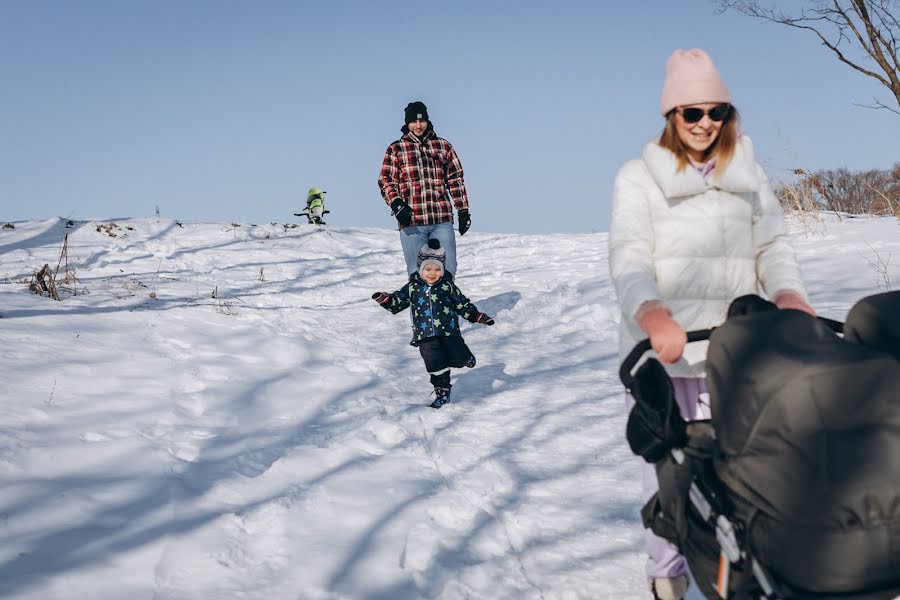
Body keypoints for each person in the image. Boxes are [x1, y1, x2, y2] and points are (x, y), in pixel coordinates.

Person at [608, 48, 814, 600]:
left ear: (729, 114)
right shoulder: (638, 177)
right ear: (671, 116)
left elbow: (772, 245)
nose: (704, 124)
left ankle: (744, 576)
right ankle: (668, 577)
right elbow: (629, 256)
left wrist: (789, 293)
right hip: (664, 354)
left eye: (715, 112)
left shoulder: (747, 173)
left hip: (738, 353)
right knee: (668, 478)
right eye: (691, 113)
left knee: (745, 474)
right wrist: (651, 312)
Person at [371, 239, 494, 408]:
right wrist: (385, 300)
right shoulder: (413, 287)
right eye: (428, 269)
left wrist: (477, 316)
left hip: (449, 332)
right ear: (420, 269)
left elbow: (462, 304)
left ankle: (466, 357)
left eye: (437, 269)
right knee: (434, 364)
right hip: (425, 336)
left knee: (457, 355)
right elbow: (397, 302)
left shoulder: (447, 286)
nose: (432, 273)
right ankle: (442, 392)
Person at [378, 101, 471, 280]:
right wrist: (396, 204)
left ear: (427, 121)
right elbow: (386, 179)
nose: (418, 125)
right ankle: (421, 308)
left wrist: (463, 210)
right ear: (407, 124)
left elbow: (455, 178)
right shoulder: (396, 148)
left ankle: (446, 308)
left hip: (441, 219)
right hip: (412, 221)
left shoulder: (443, 146)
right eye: (413, 122)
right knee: (417, 274)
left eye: (421, 121)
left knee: (447, 270)